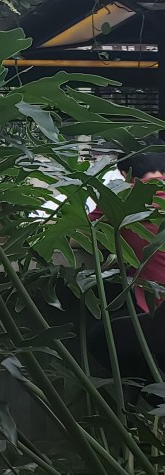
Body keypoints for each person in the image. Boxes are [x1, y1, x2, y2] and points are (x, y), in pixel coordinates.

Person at [88, 151, 165, 380]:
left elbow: (84, 231)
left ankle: (157, 405)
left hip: (160, 309)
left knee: (101, 340)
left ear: (125, 174)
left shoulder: (122, 197)